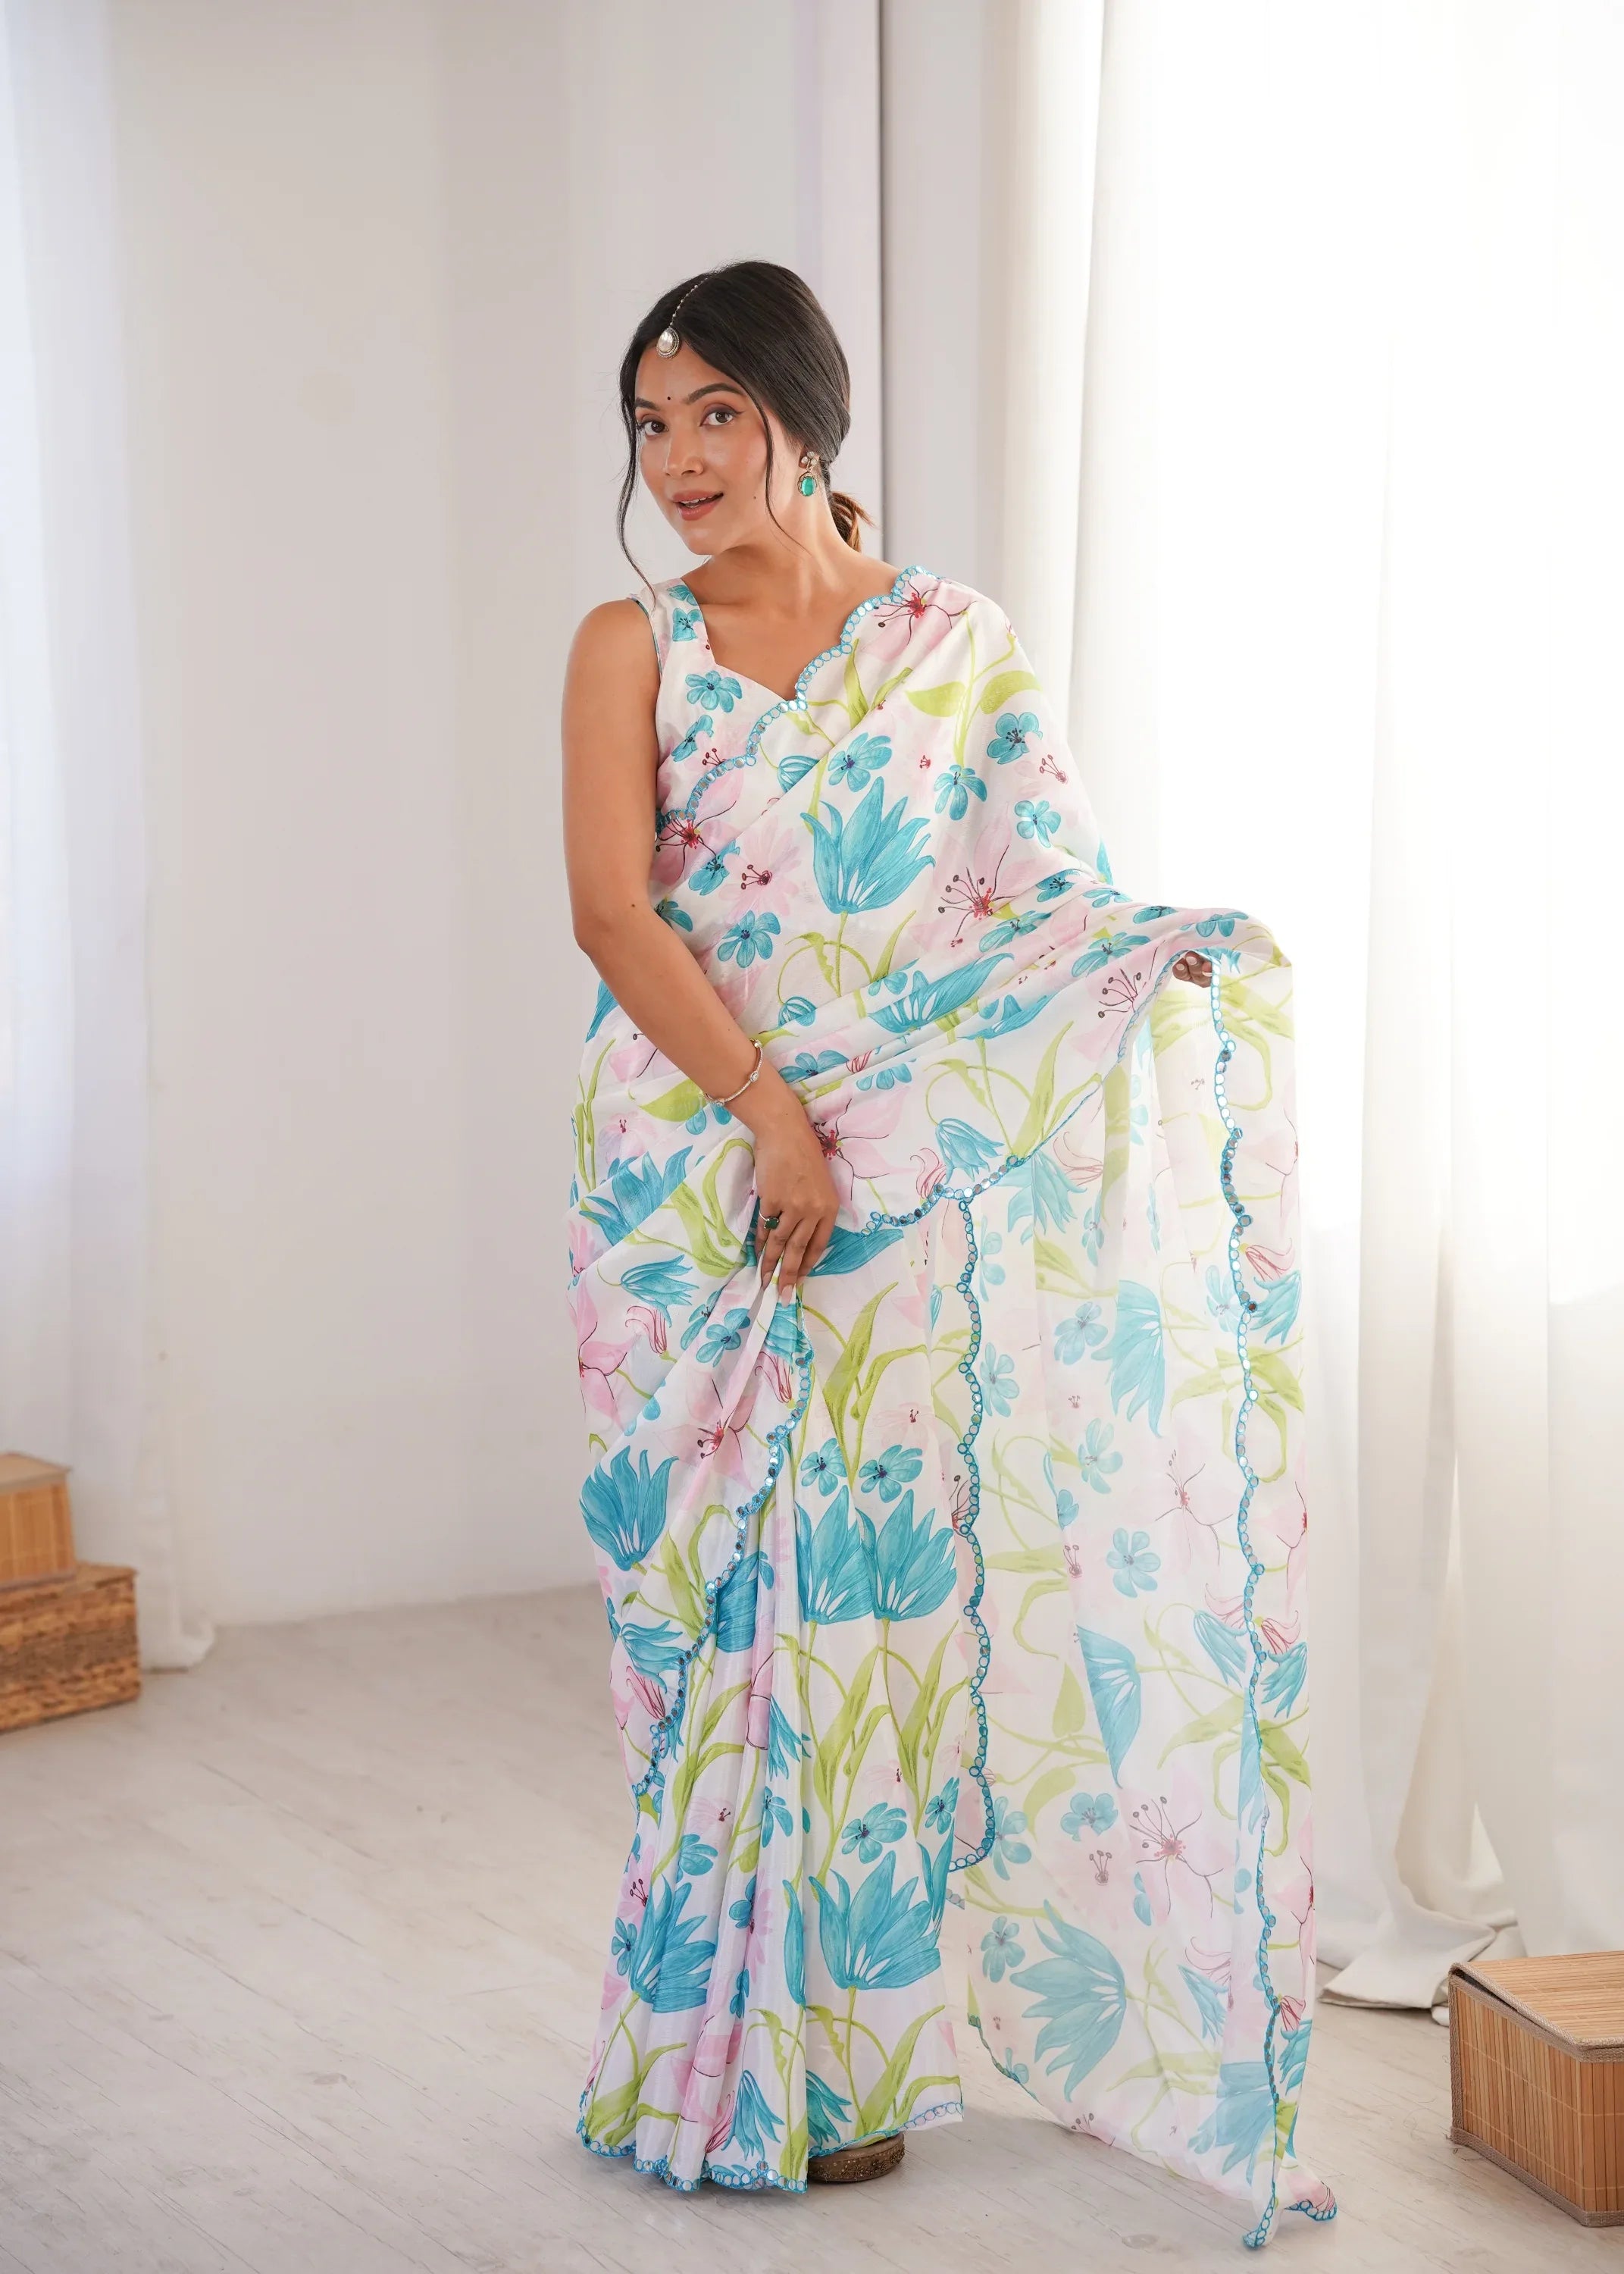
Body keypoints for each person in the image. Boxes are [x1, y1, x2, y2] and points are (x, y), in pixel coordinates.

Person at [561, 261, 1335, 2247]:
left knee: (877, 1629)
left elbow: (1030, 893)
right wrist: (767, 1114)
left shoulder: (951, 643)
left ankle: (859, 2069)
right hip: (697, 1175)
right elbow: (614, 919)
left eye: (715, 414)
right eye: (652, 427)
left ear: (802, 415)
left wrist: (1159, 961)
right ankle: (714, 2058)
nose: (680, 463)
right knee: (711, 1627)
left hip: (893, 1180)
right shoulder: (626, 644)